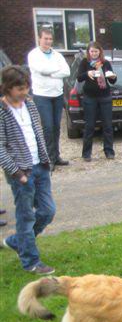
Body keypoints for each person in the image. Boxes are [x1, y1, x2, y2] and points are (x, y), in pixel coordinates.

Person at [0, 66, 56, 274]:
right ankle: (31, 261)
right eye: (20, 89)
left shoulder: (30, 105)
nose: (24, 92)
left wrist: (46, 160)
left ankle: (17, 241)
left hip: (40, 166)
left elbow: (38, 134)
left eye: (26, 88)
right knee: (25, 217)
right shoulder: (2, 111)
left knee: (48, 211)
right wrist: (17, 173)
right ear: (7, 88)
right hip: (21, 173)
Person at [28, 28, 70, 169]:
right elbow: (41, 70)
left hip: (57, 95)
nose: (48, 41)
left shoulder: (57, 55)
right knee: (47, 127)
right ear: (39, 39)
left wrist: (51, 73)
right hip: (42, 96)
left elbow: (66, 71)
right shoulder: (34, 55)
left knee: (56, 127)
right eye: (45, 38)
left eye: (50, 39)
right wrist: (55, 70)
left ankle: (56, 156)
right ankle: (48, 159)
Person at [77, 42, 117, 161]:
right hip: (90, 97)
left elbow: (113, 81)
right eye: (92, 51)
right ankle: (86, 154)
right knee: (89, 126)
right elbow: (79, 78)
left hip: (105, 96)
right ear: (88, 52)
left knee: (108, 126)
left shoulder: (105, 63)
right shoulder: (85, 63)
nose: (94, 53)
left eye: (96, 51)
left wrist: (113, 77)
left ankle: (109, 151)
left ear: (100, 51)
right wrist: (87, 73)